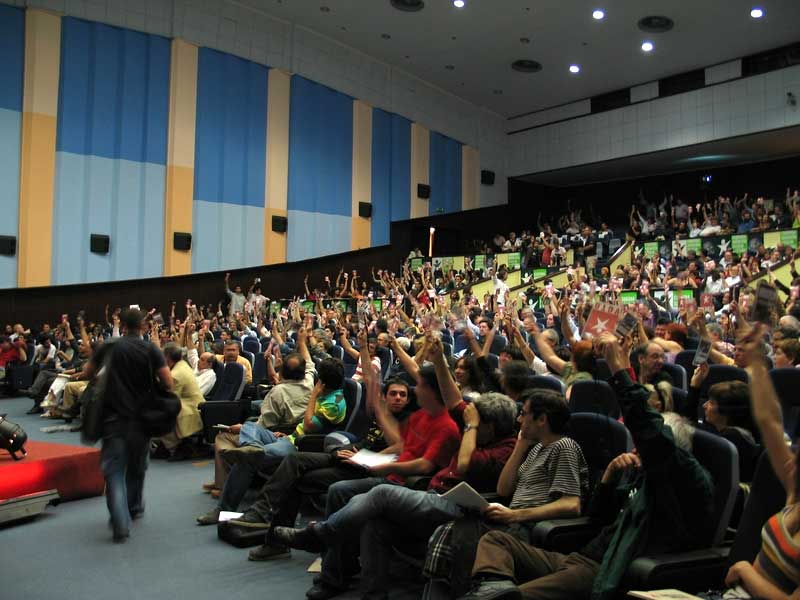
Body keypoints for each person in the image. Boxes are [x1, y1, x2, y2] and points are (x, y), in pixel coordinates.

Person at [459, 333, 715, 600]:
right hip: (577, 557)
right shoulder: (641, 475)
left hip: (602, 571)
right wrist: (608, 478)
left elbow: (651, 434)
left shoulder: (687, 482)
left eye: (642, 446)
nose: (635, 449)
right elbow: (597, 520)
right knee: (494, 542)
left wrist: (618, 369)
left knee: (519, 596)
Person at [723, 324, 799, 597]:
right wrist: (756, 361)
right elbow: (769, 421)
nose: (789, 462)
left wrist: (744, 571)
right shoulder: (794, 493)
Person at [85, 309, 173, 542]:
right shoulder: (150, 349)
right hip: (142, 420)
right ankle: (133, 507)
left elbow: (87, 372)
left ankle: (120, 522)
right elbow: (168, 382)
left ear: (122, 324)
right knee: (136, 467)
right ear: (143, 325)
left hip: (113, 419)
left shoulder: (109, 346)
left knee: (114, 472)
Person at [154, 343, 205, 461]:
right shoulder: (182, 365)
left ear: (166, 357)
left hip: (191, 410)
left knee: (159, 412)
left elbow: (169, 398)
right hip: (189, 404)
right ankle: (167, 444)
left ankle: (174, 446)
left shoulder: (176, 374)